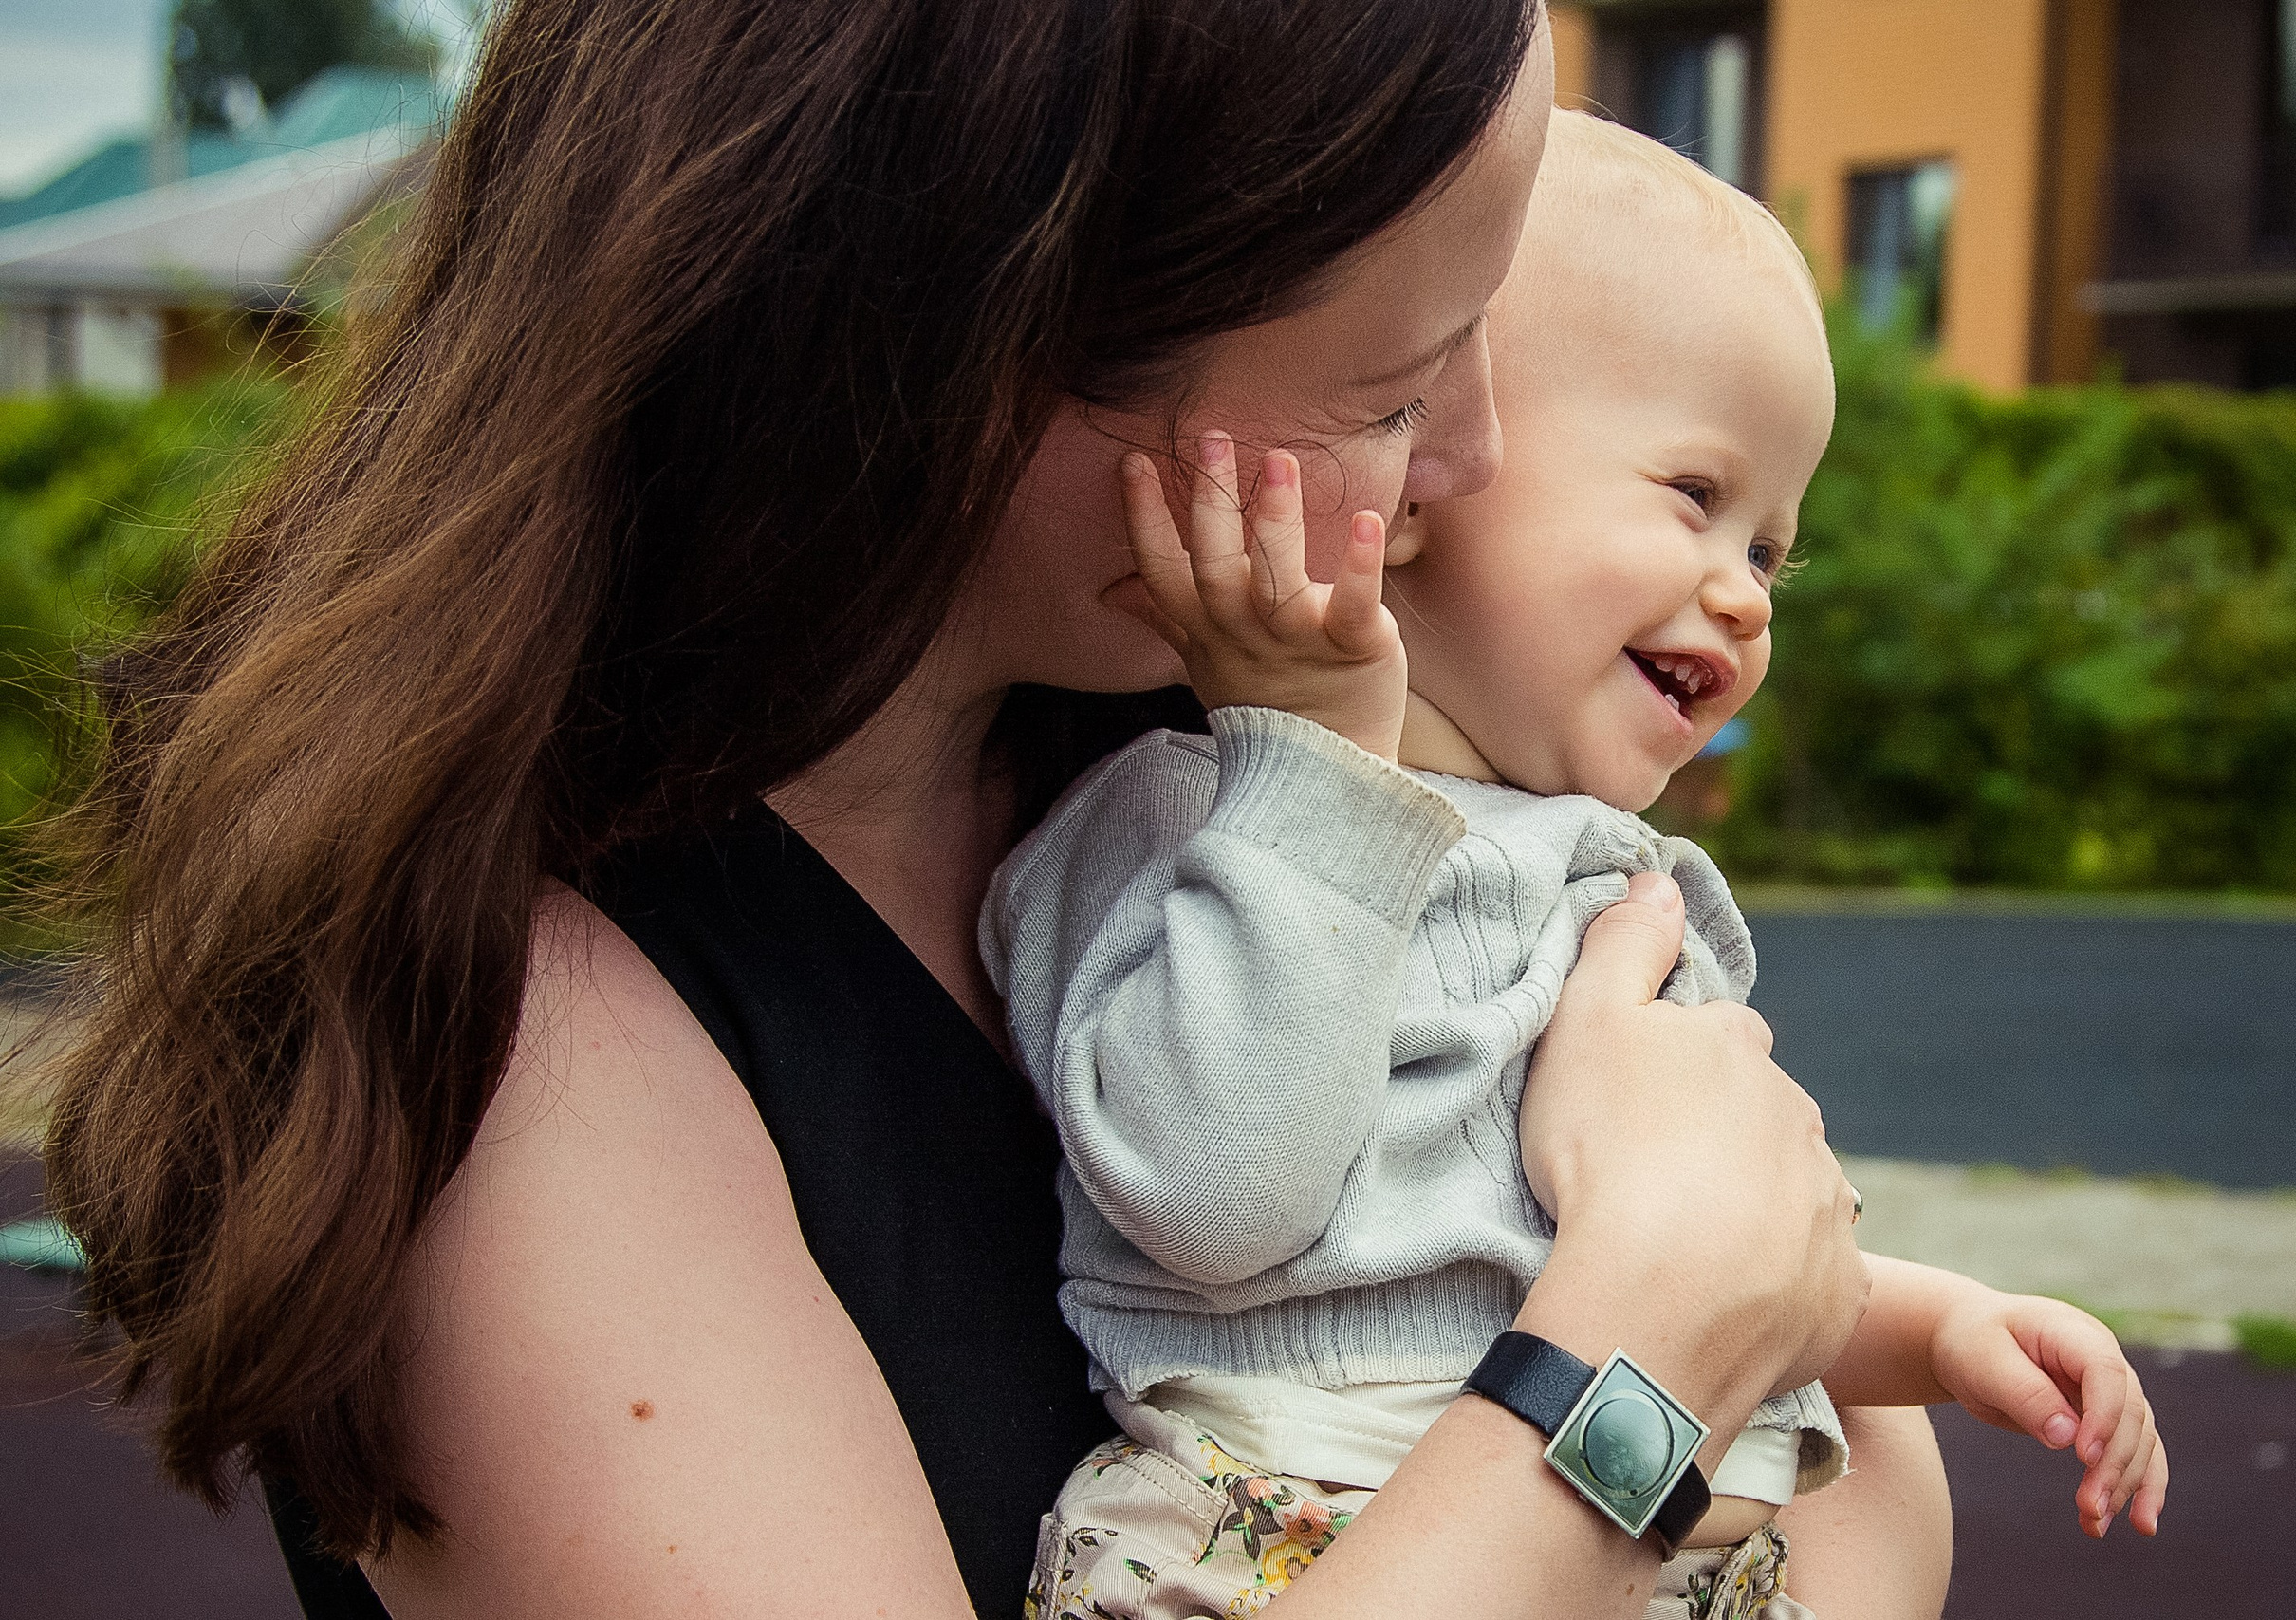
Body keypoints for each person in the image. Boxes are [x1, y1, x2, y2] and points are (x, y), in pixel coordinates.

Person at [36, 6, 1871, 1618]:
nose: (1470, 465)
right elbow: (1716, 1332)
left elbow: (1868, 1504)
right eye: (1401, 384)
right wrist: (1643, 1361)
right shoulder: (523, 1038)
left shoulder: (1222, 771)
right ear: (998, 328)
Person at [989, 112, 2168, 1620]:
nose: (1743, 599)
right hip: (1295, 1544)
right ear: (1423, 474)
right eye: (1694, 498)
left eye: (1771, 552)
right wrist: (1324, 776)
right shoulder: (1208, 819)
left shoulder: (1633, 883)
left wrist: (1940, 1329)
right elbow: (1218, 1201)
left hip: (1661, 1548)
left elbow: (1733, 1265)